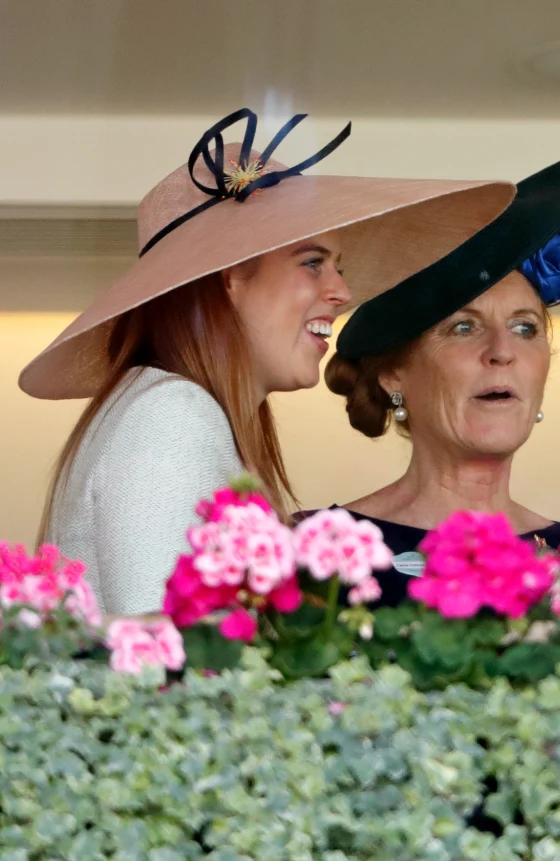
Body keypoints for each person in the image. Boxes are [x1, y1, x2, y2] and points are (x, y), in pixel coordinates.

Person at [23, 109, 515, 615]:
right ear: (231, 276)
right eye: (312, 262)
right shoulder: (171, 415)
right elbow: (168, 671)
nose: (342, 292)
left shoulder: (166, 407)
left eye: (337, 268)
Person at [323, 145, 560, 606]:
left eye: (525, 328)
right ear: (393, 374)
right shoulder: (315, 556)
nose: (502, 352)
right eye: (464, 328)